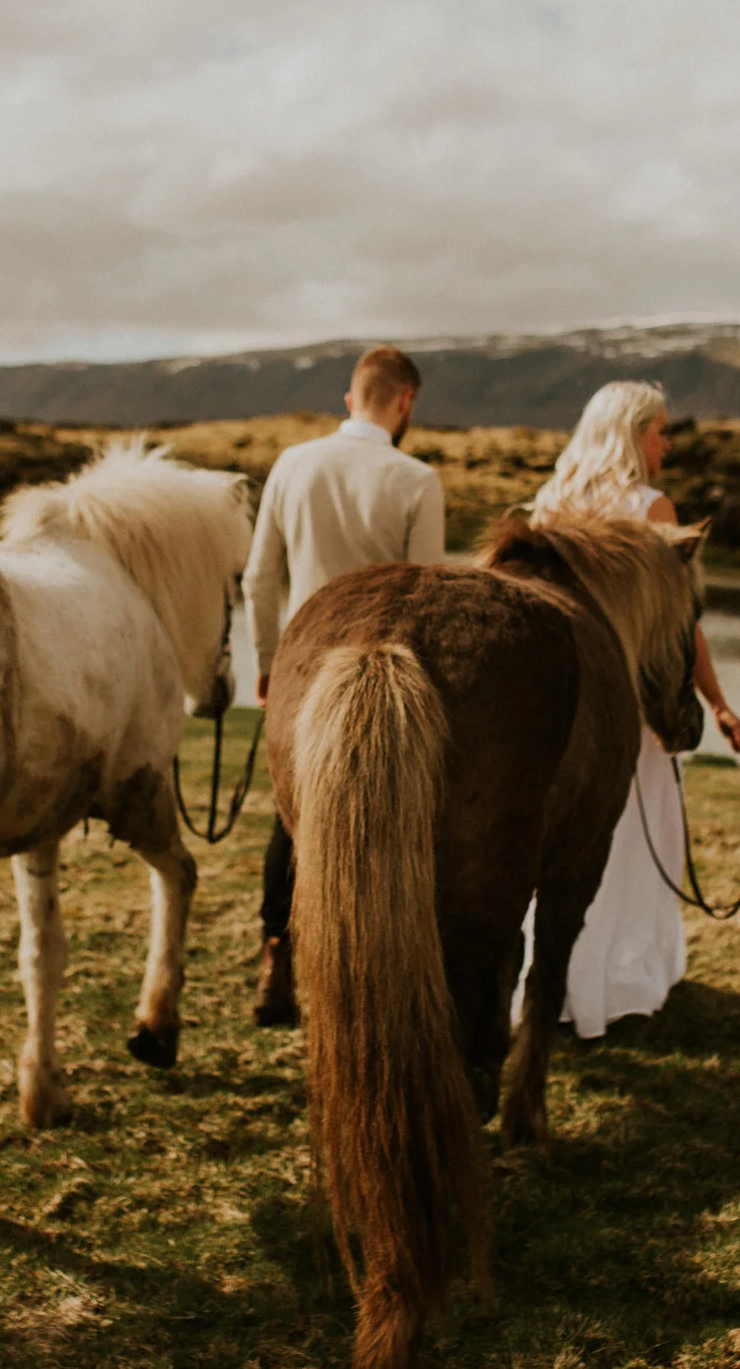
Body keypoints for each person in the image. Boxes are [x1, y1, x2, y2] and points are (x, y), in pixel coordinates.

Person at [524, 379, 740, 1038]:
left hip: (565, 704)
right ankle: (621, 982)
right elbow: (683, 626)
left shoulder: (549, 504)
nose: (668, 442)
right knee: (628, 838)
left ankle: (558, 986)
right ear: (634, 434)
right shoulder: (652, 509)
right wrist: (719, 702)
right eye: (660, 430)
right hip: (633, 705)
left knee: (562, 842)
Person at [242, 343, 446, 1025]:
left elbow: (257, 578)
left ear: (350, 396)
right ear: (405, 402)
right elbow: (425, 599)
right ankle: (366, 972)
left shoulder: (292, 464)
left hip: (303, 671)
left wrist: (271, 664)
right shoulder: (416, 479)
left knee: (292, 823)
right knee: (381, 826)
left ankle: (279, 957)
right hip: (378, 678)